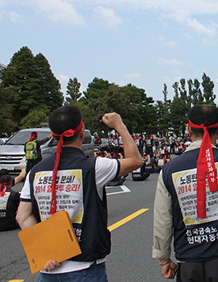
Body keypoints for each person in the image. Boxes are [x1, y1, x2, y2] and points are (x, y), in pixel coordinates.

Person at [16, 105, 143, 280]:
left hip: (48, 269)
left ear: (52, 136)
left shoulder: (34, 172)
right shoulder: (93, 167)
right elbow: (135, 160)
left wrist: (45, 251)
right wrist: (119, 126)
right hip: (85, 267)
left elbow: (22, 216)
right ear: (81, 132)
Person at [153, 100, 218, 281]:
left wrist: (164, 258)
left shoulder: (169, 169)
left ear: (188, 129)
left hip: (189, 258)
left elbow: (162, 218)